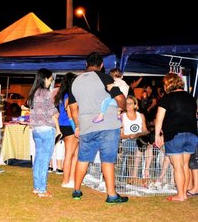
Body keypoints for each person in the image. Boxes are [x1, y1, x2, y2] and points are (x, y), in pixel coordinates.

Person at [68, 52, 128, 203]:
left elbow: (73, 108)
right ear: (101, 65)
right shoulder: (105, 78)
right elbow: (121, 100)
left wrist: (77, 125)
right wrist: (122, 105)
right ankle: (112, 195)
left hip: (86, 125)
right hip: (108, 125)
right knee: (107, 160)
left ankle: (76, 191)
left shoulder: (75, 82)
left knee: (83, 159)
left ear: (86, 65)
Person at [155, 72, 198, 201]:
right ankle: (184, 192)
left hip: (175, 135)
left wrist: (157, 135)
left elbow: (159, 119)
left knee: (177, 166)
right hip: (192, 135)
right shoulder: (190, 98)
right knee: (185, 165)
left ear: (168, 84)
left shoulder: (166, 99)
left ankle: (181, 195)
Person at [28, 68, 61, 198]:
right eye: (50, 79)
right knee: (45, 160)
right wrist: (58, 128)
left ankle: (37, 187)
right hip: (47, 129)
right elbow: (53, 113)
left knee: (38, 159)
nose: (50, 82)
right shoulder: (46, 93)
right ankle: (42, 189)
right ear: (45, 78)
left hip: (36, 130)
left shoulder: (34, 93)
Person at [53, 72, 78, 188]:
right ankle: (66, 180)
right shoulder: (69, 95)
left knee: (74, 154)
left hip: (64, 125)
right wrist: (76, 128)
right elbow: (70, 114)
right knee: (69, 154)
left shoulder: (61, 95)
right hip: (70, 126)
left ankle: (71, 179)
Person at [120, 95, 149, 178]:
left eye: (130, 103)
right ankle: (135, 175)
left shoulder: (141, 116)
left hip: (139, 139)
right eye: (126, 103)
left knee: (149, 146)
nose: (128, 105)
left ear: (135, 105)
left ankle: (146, 172)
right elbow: (121, 135)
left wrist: (137, 134)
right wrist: (130, 136)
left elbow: (145, 130)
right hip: (127, 141)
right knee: (139, 146)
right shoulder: (122, 116)